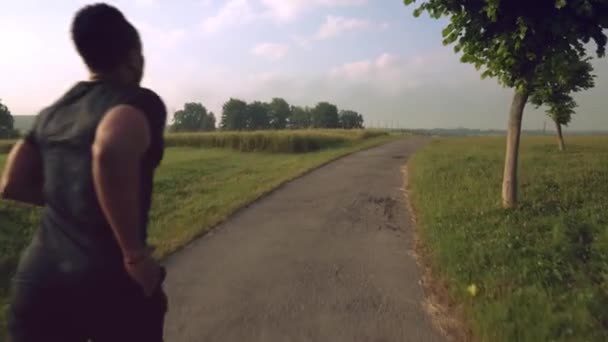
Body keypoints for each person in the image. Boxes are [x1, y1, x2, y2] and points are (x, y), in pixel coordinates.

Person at [1, 3, 168, 341]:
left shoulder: (52, 112)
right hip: (111, 284)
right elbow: (111, 147)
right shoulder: (137, 100)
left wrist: (72, 197)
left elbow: (12, 183)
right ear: (134, 55)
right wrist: (135, 255)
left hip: (38, 282)